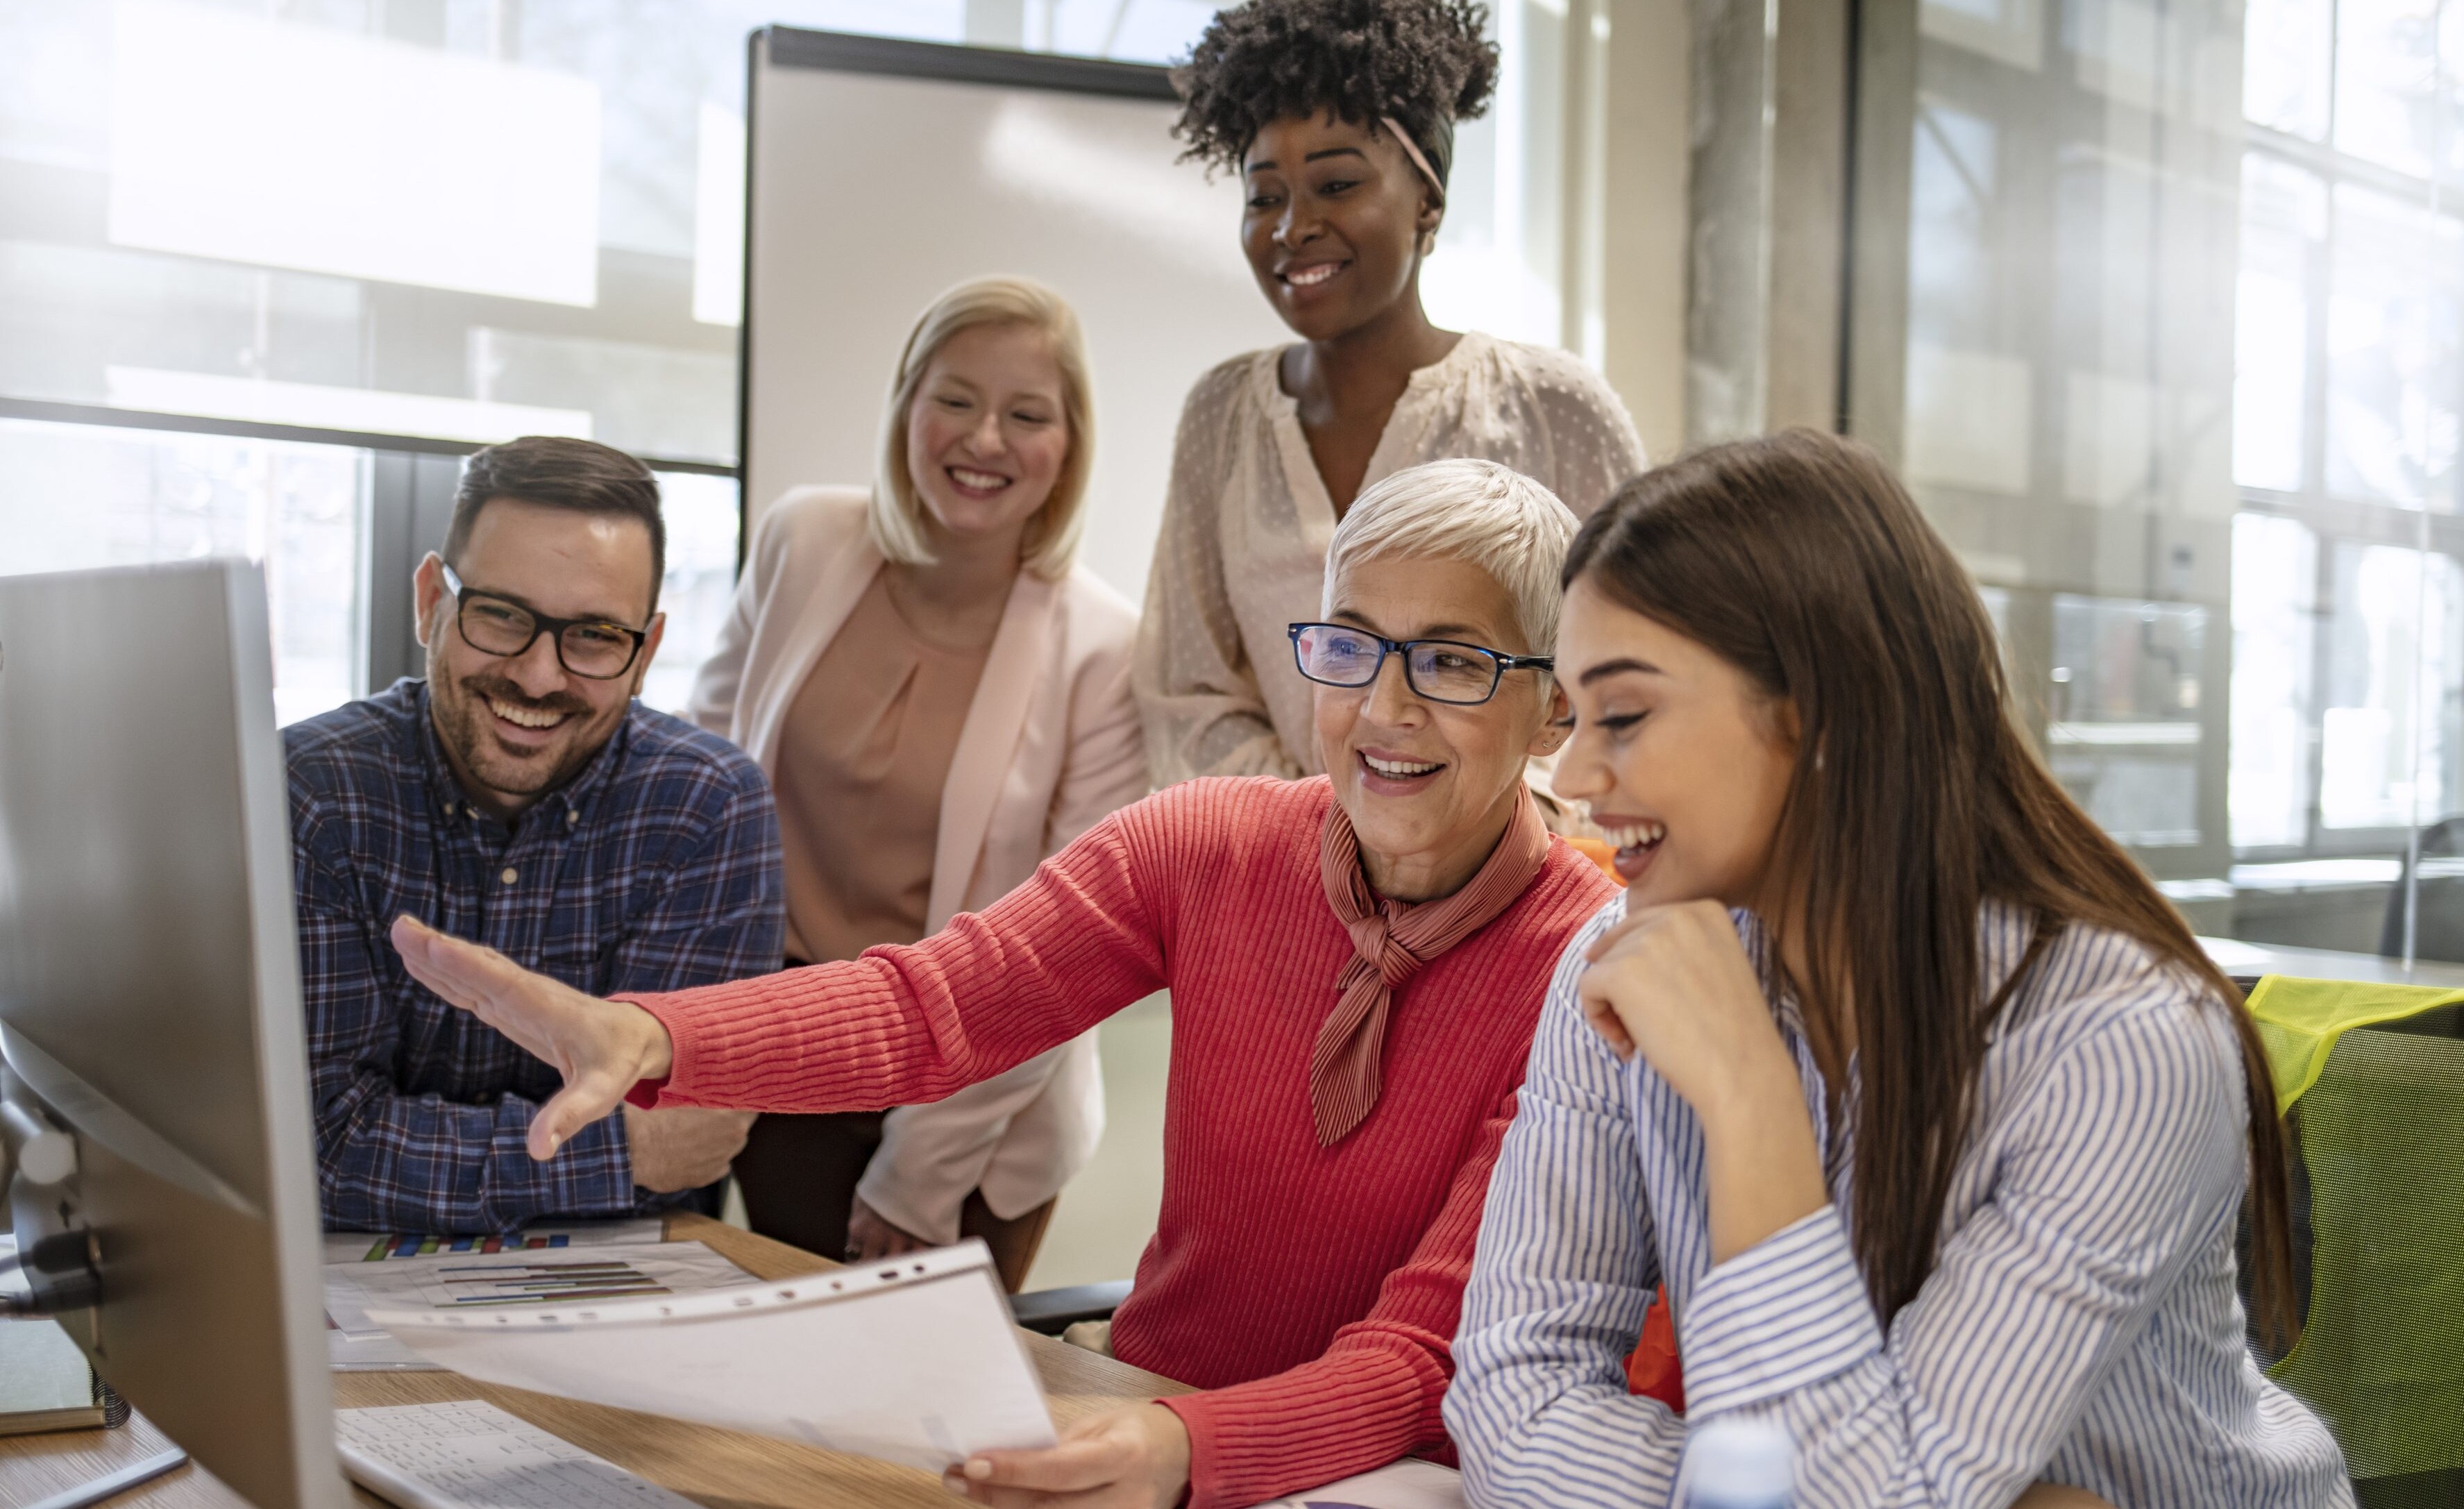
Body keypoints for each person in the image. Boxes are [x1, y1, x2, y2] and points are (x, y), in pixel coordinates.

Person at [386, 460, 1618, 1509]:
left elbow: (1418, 1357)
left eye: (1450, 661)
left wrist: (1189, 1448)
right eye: (1350, 646)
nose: (1381, 707)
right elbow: (933, 1006)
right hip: (1133, 1417)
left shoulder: (1587, 967)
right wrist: (649, 1037)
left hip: (1372, 1475)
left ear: (1553, 702)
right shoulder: (1206, 842)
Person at [1442, 430, 2352, 1507]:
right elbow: (1511, 1397)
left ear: (1823, 713)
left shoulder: (2123, 1041)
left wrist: (1748, 1102)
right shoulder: (1627, 965)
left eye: (1627, 716)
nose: (1580, 774)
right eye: (1578, 717)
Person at [689, 278, 1142, 1284]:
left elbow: (1068, 946)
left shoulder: (1106, 647)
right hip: (789, 1059)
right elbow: (697, 787)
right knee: (786, 1405)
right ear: (905, 403)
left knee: (930, 1423)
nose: (985, 439)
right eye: (955, 399)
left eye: (1027, 415)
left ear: (1069, 446)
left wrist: (921, 1171)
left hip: (983, 1102)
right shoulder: (803, 539)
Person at [1136, 0, 1648, 787]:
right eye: (1264, 197)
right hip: (1284, 875)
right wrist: (1333, 829)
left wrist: (1467, 837)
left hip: (1514, 882)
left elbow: (1621, 675)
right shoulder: (1223, 414)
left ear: (1429, 203)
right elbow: (1188, 690)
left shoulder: (1554, 409)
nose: (1292, 226)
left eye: (1336, 183)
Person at [288, 435, 782, 1236]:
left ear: (646, 652)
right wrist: (618, 1153)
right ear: (429, 602)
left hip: (611, 1303)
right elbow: (313, 1146)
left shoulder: (708, 807)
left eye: (592, 635)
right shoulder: (312, 794)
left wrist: (415, 1149)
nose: (538, 675)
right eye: (501, 615)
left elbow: (691, 1145)